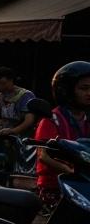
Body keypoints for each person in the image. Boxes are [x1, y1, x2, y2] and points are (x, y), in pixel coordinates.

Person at [32, 61, 90, 210]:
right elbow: (43, 155)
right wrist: (72, 171)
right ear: (66, 91)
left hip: (83, 186)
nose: (89, 93)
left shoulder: (87, 119)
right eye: (84, 88)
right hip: (56, 187)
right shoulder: (52, 119)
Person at [0, 67, 37, 137]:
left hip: (22, 138)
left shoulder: (25, 96)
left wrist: (12, 131)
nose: (0, 87)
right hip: (6, 136)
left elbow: (29, 121)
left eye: (3, 83)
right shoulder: (4, 94)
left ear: (11, 80)